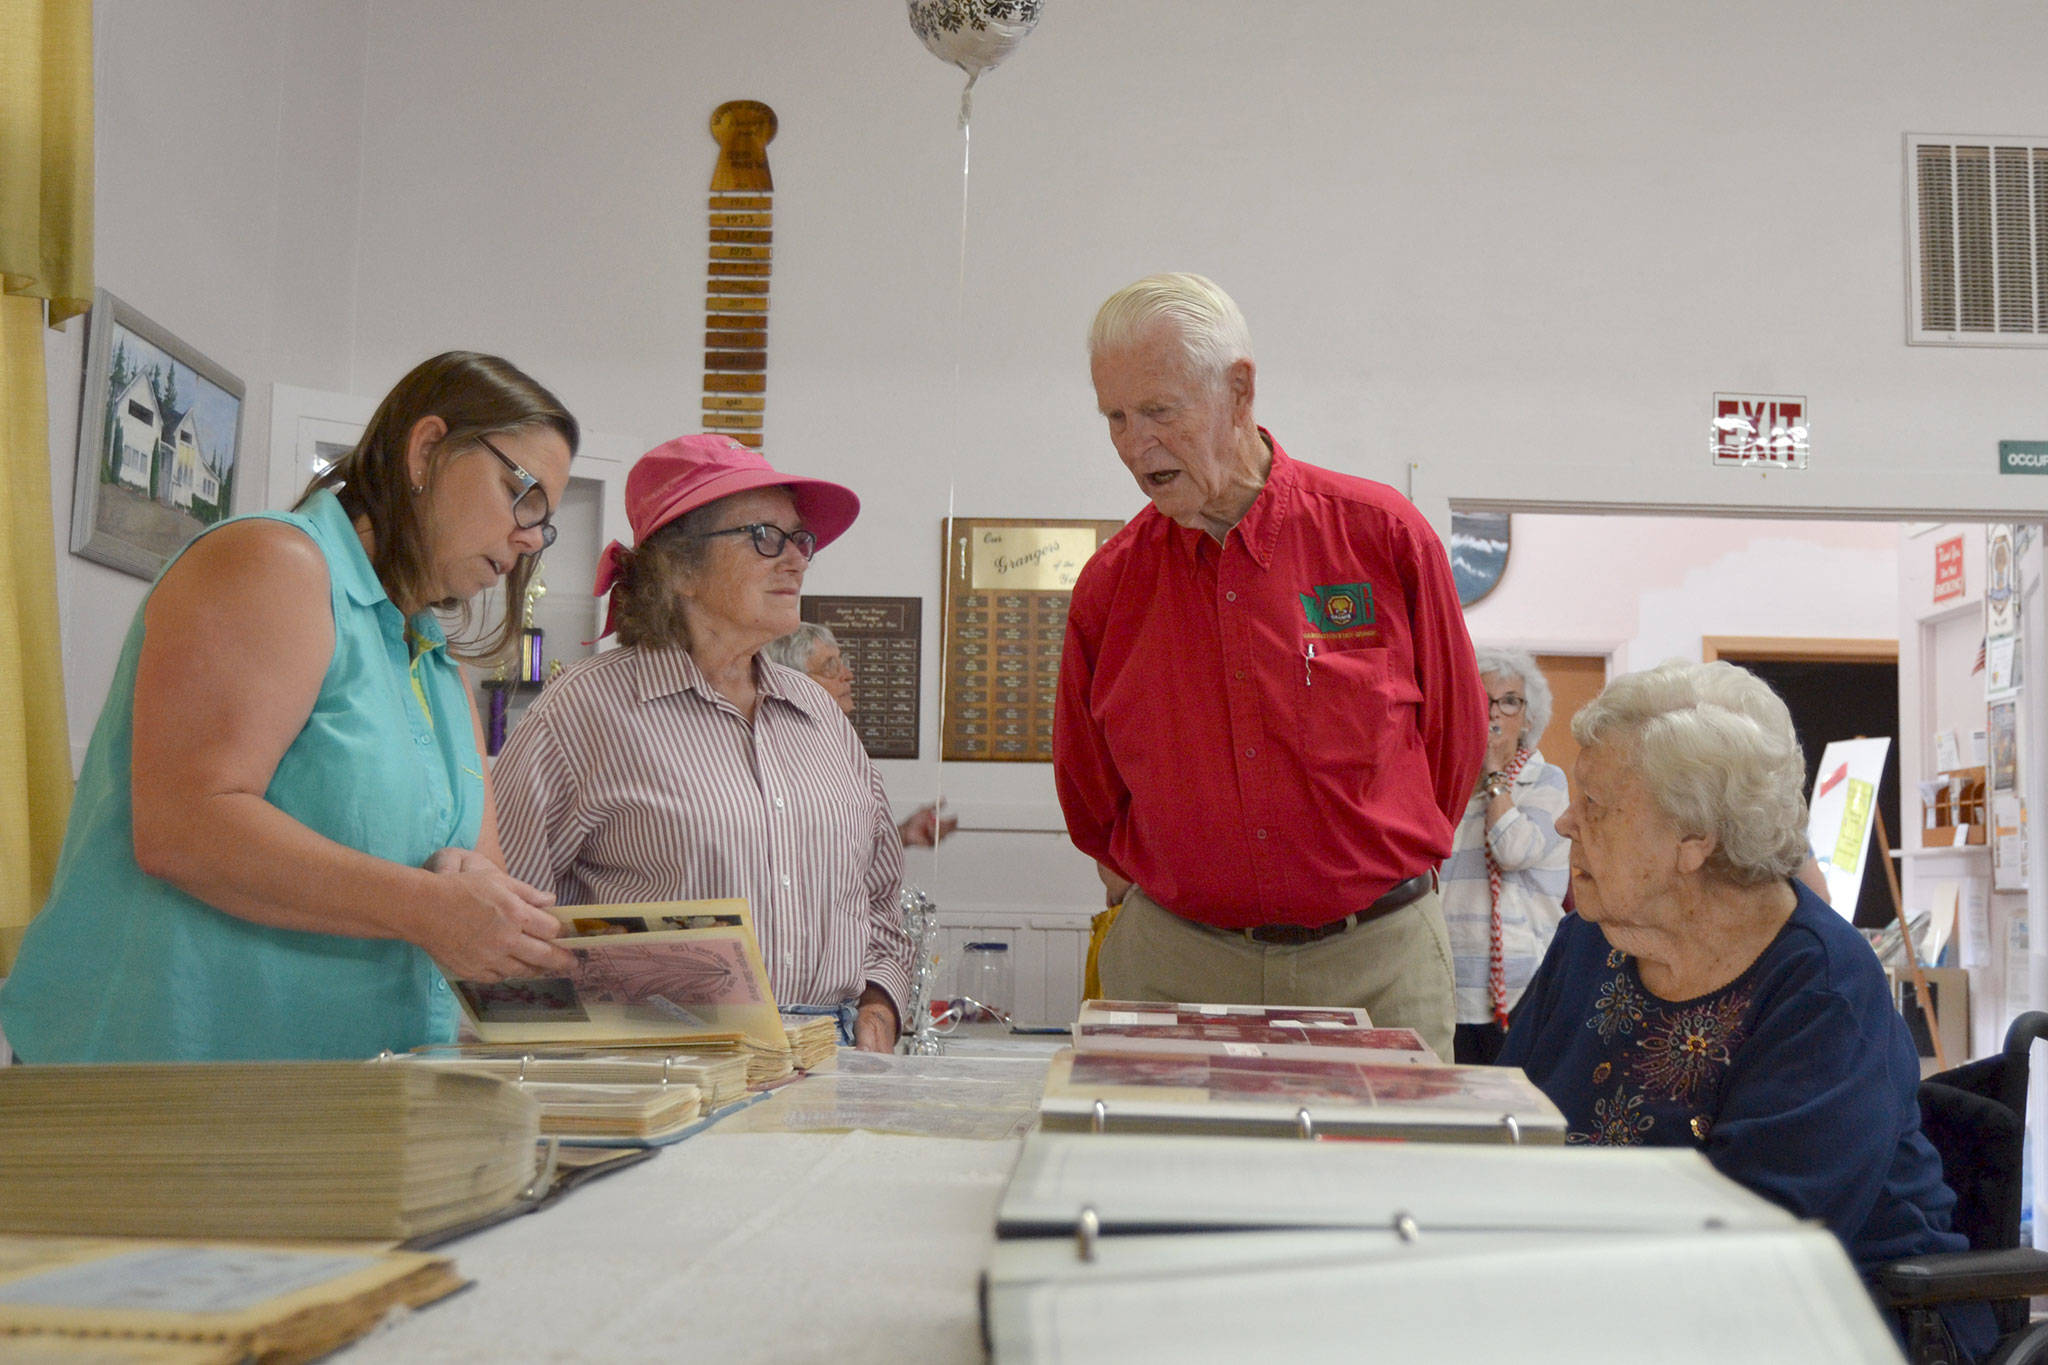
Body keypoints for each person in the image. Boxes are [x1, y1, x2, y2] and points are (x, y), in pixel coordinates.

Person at [0, 352, 579, 1061]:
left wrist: (488, 905)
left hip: (358, 1099)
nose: (529, 536)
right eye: (522, 494)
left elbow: (472, 880)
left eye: (543, 523)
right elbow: (185, 824)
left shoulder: (436, 667)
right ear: (427, 449)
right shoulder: (274, 562)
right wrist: (427, 907)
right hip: (173, 1089)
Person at [1500, 660, 1994, 1360]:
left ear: (1693, 839)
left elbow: (1757, 1245)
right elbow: (1505, 1123)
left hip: (1833, 1322)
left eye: (1599, 804)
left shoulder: (1820, 987)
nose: (1566, 820)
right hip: (1610, 1305)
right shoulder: (1592, 937)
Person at [1054, 273, 1488, 1059]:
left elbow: (1455, 743)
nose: (1133, 442)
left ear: (1239, 389)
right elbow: (1091, 794)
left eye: (1159, 410)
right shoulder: (1110, 588)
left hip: (1376, 964)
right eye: (1114, 416)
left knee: (1384, 1182)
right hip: (1176, 966)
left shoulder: (1380, 536)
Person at [492, 435, 911, 1052]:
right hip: (669, 1075)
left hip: (835, 1068)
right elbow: (505, 925)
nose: (795, 560)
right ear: (679, 567)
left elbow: (881, 904)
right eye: (765, 537)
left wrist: (880, 1007)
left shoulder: (820, 715)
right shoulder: (585, 712)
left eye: (800, 540)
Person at [1441, 646, 1571, 1064]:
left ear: (1528, 717)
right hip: (1451, 984)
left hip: (1520, 986)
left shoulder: (1546, 781)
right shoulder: (1451, 782)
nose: (1493, 713)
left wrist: (1495, 776)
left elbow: (1514, 850)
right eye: (1481, 700)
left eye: (1509, 701)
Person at [760, 622, 958, 847]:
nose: (848, 675)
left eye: (841, 662)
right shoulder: (772, 755)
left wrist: (901, 834)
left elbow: (841, 852)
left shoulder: (843, 751)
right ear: (790, 682)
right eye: (830, 666)